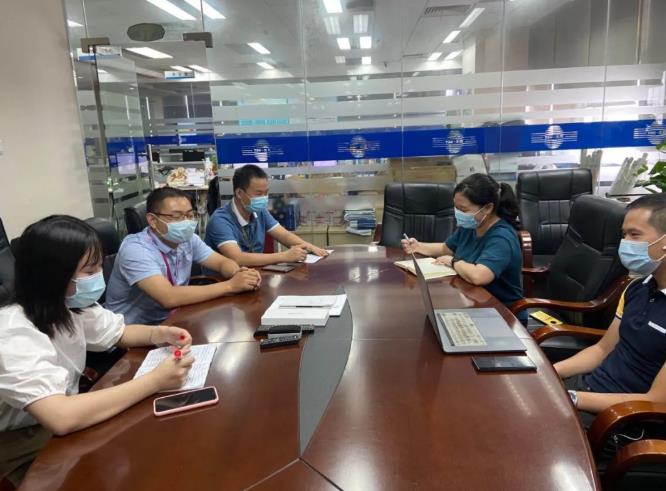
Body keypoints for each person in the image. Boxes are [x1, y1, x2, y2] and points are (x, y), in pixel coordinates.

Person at [0, 216, 194, 487]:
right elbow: (61, 417)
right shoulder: (12, 331)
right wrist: (155, 381)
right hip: (20, 439)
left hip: (58, 416)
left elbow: (119, 333)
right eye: (89, 269)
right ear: (53, 274)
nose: (98, 275)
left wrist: (158, 334)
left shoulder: (69, 306)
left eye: (99, 265)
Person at [555, 194, 666, 425]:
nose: (625, 243)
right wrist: (550, 372)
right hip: (589, 390)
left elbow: (656, 401)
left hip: (623, 419)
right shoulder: (637, 288)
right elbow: (602, 350)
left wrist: (569, 398)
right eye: (624, 235)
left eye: (635, 234)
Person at [106, 187, 261, 325]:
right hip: (135, 332)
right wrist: (230, 286)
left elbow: (221, 262)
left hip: (175, 319)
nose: (186, 222)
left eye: (189, 215)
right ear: (152, 220)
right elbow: (168, 297)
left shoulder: (187, 239)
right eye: (177, 216)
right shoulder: (136, 250)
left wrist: (239, 274)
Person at [401, 173, 524, 317]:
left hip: (502, 313)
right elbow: (446, 248)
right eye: (456, 208)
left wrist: (453, 262)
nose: (458, 214)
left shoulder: (502, 237)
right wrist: (418, 247)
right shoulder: (471, 226)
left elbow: (479, 276)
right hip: (474, 303)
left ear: (488, 208)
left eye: (463, 210)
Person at [205, 164, 328, 266]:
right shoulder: (220, 220)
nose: (264, 198)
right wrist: (284, 256)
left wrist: (309, 247)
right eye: (258, 193)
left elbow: (284, 235)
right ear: (239, 193)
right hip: (224, 281)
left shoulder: (259, 211)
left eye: (266, 193)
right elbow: (237, 258)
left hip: (254, 276)